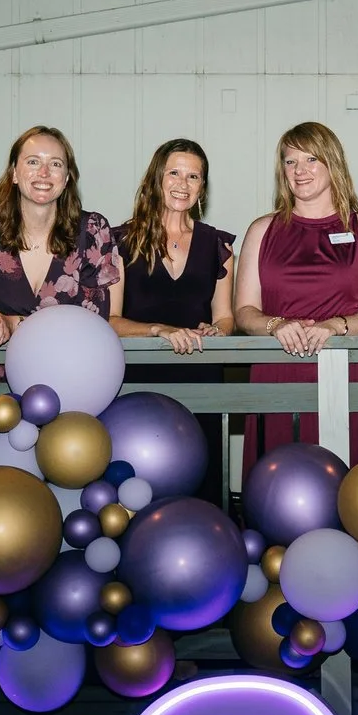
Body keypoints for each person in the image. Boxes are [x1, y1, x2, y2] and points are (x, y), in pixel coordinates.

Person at [233, 122, 358, 469]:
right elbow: (244, 311)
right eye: (290, 162)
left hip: (350, 373)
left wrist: (336, 326)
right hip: (279, 371)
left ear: (332, 164)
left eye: (311, 160)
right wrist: (275, 324)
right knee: (276, 489)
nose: (300, 170)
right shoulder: (262, 230)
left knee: (354, 496)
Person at [0, 125, 122, 381]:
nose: (44, 173)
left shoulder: (92, 232)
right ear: (15, 173)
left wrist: (14, 323)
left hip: (69, 381)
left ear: (68, 177)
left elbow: (94, 323)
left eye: (56, 164)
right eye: (33, 161)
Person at [109, 138, 235, 502]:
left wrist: (217, 330)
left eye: (193, 176)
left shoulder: (219, 246)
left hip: (202, 375)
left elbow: (226, 317)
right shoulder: (121, 241)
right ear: (156, 179)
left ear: (203, 188)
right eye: (174, 173)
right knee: (136, 485)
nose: (183, 183)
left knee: (203, 479)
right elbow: (112, 321)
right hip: (139, 382)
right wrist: (157, 331)